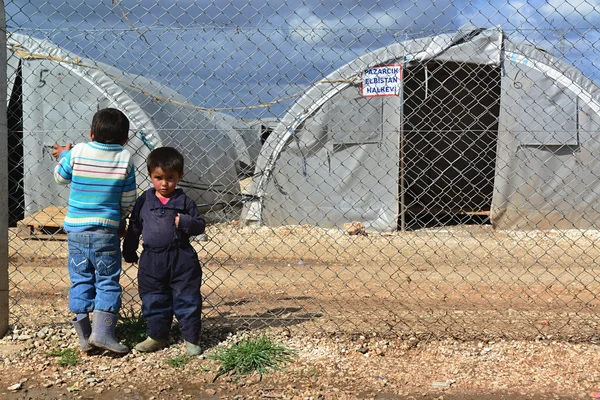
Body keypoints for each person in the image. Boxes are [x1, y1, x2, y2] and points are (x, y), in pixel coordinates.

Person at [52, 107, 136, 354]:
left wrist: (64, 156)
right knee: (107, 281)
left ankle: (84, 336)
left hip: (76, 232)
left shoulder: (77, 151)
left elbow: (60, 177)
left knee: (80, 278)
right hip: (106, 232)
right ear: (125, 139)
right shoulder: (125, 157)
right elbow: (128, 198)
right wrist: (120, 219)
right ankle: (104, 334)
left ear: (91, 134)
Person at [122, 146, 206, 356]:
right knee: (153, 297)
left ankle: (191, 338)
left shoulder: (185, 201)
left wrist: (185, 221)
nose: (164, 183)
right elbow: (134, 226)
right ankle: (157, 336)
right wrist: (129, 248)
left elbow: (199, 224)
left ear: (180, 176)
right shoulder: (144, 200)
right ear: (150, 175)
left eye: (170, 178)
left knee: (187, 297)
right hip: (151, 259)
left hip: (181, 258)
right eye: (158, 178)